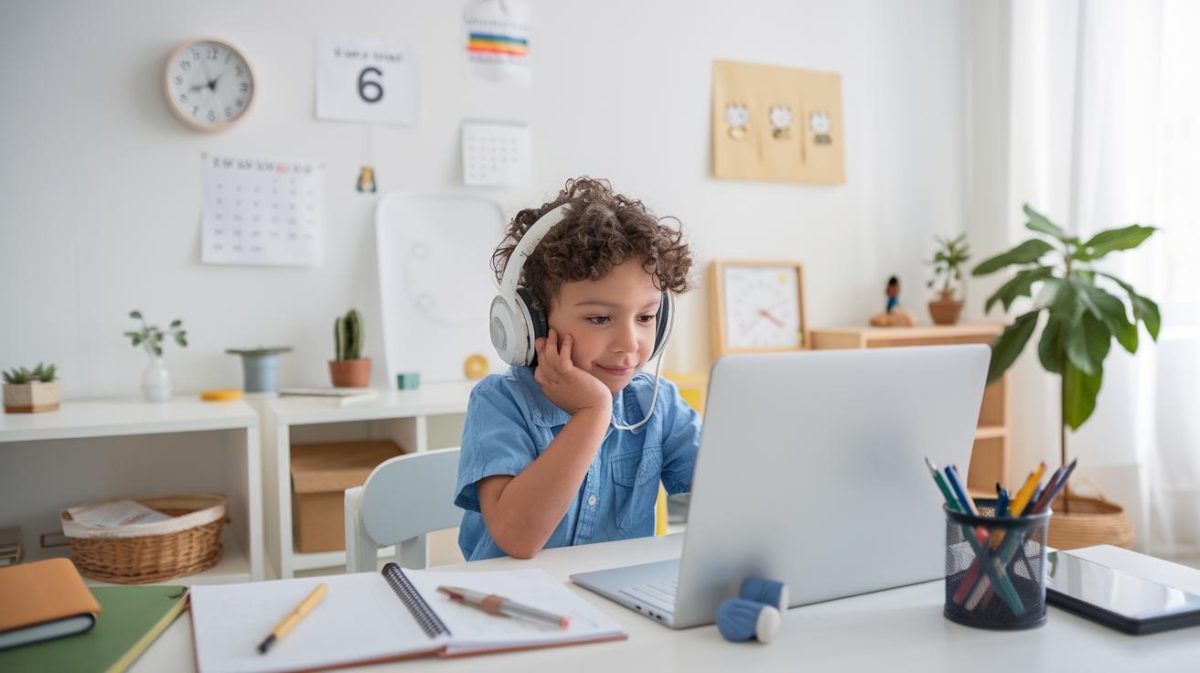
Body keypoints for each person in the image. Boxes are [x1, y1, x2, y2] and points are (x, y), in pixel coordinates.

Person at [454, 177, 701, 560]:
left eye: (646, 316)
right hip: (515, 607)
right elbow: (517, 539)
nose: (630, 343)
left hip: (616, 606)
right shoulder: (500, 405)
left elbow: (729, 497)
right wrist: (592, 412)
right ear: (531, 321)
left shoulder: (658, 404)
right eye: (600, 319)